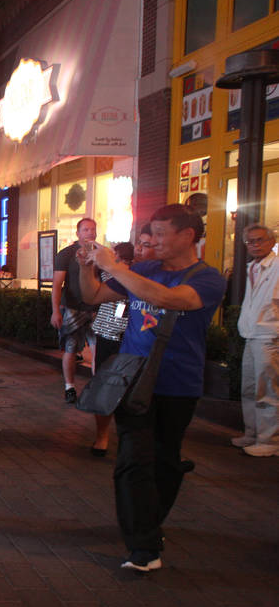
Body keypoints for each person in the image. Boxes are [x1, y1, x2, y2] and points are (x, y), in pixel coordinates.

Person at [78, 204, 225, 572]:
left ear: (187, 236)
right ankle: (143, 548)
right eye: (152, 233)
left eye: (161, 234)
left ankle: (147, 524)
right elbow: (94, 296)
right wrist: (86, 266)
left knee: (165, 460)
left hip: (178, 381)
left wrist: (114, 266)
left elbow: (169, 300)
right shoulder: (144, 269)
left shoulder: (208, 278)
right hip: (134, 377)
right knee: (132, 459)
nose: (154, 241)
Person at [231, 224, 279, 457]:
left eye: (260, 240)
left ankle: (270, 439)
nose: (255, 245)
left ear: (271, 241)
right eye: (250, 241)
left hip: (269, 334)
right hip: (251, 333)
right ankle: (252, 432)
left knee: (267, 388)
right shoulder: (253, 266)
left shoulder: (277, 265)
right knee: (249, 387)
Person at [87, 241, 135, 457]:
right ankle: (102, 436)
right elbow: (91, 290)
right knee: (103, 385)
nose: (115, 262)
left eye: (119, 258)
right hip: (106, 336)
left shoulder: (138, 279)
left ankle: (127, 437)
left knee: (130, 390)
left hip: (130, 340)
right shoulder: (109, 277)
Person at [51, 218, 100, 403]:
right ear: (78, 233)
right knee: (70, 348)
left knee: (97, 349)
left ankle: (95, 387)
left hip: (95, 309)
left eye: (93, 229)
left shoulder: (100, 253)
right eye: (86, 229)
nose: (90, 233)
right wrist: (56, 311)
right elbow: (57, 285)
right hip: (73, 309)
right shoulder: (66, 254)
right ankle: (69, 386)